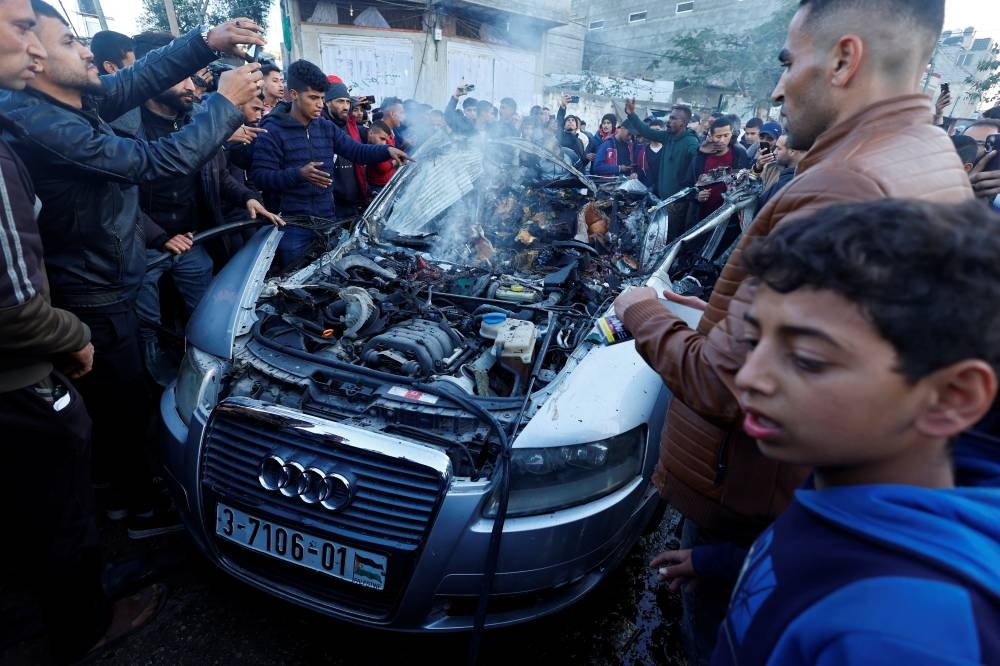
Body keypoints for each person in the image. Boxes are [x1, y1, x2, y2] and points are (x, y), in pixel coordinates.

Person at [612, 1, 971, 662]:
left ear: (843, 59)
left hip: (757, 497)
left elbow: (728, 383)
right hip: (790, 513)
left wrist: (639, 308)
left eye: (787, 62)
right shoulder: (923, 151)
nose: (777, 88)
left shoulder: (843, 185)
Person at [0, 2, 267, 535]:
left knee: (129, 398)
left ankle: (130, 496)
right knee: (121, 413)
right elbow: (154, 163)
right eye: (65, 42)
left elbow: (133, 81)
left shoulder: (73, 97)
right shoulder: (35, 121)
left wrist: (205, 41)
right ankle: (138, 512)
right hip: (91, 293)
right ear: (37, 63)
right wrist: (224, 105)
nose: (86, 50)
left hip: (113, 277)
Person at [697, 198, 1000, 664]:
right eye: (756, 341)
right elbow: (809, 562)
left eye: (807, 359)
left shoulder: (908, 637)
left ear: (951, 396)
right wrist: (715, 563)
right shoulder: (847, 482)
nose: (750, 376)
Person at [0, 0, 167, 660]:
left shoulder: (58, 108)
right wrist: (71, 330)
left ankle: (83, 584)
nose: (38, 50)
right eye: (23, 32)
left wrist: (206, 43)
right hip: (32, 361)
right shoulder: (24, 136)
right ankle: (85, 620)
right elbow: (15, 308)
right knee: (60, 493)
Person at [252, 59, 408, 268]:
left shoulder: (325, 128)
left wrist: (387, 150)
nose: (319, 104)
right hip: (291, 228)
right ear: (294, 94)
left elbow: (356, 151)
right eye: (313, 98)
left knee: (327, 280)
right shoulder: (271, 130)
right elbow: (260, 177)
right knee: (293, 284)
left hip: (327, 222)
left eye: (322, 98)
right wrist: (298, 174)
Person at [687, 117, 752, 221]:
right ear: (711, 136)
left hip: (729, 219)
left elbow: (747, 185)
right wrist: (697, 195)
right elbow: (688, 185)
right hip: (702, 217)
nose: (722, 140)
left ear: (731, 134)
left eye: (726, 135)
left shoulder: (739, 155)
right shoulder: (700, 158)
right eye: (718, 136)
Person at [323, 74, 370, 219]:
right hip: (332, 208)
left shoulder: (351, 125)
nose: (345, 107)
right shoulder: (320, 126)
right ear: (327, 102)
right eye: (340, 101)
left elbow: (360, 152)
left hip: (354, 205)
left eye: (348, 102)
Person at [756, 134, 801, 208]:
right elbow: (754, 192)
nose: (774, 152)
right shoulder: (771, 168)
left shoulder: (803, 177)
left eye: (778, 148)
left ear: (792, 151)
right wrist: (758, 167)